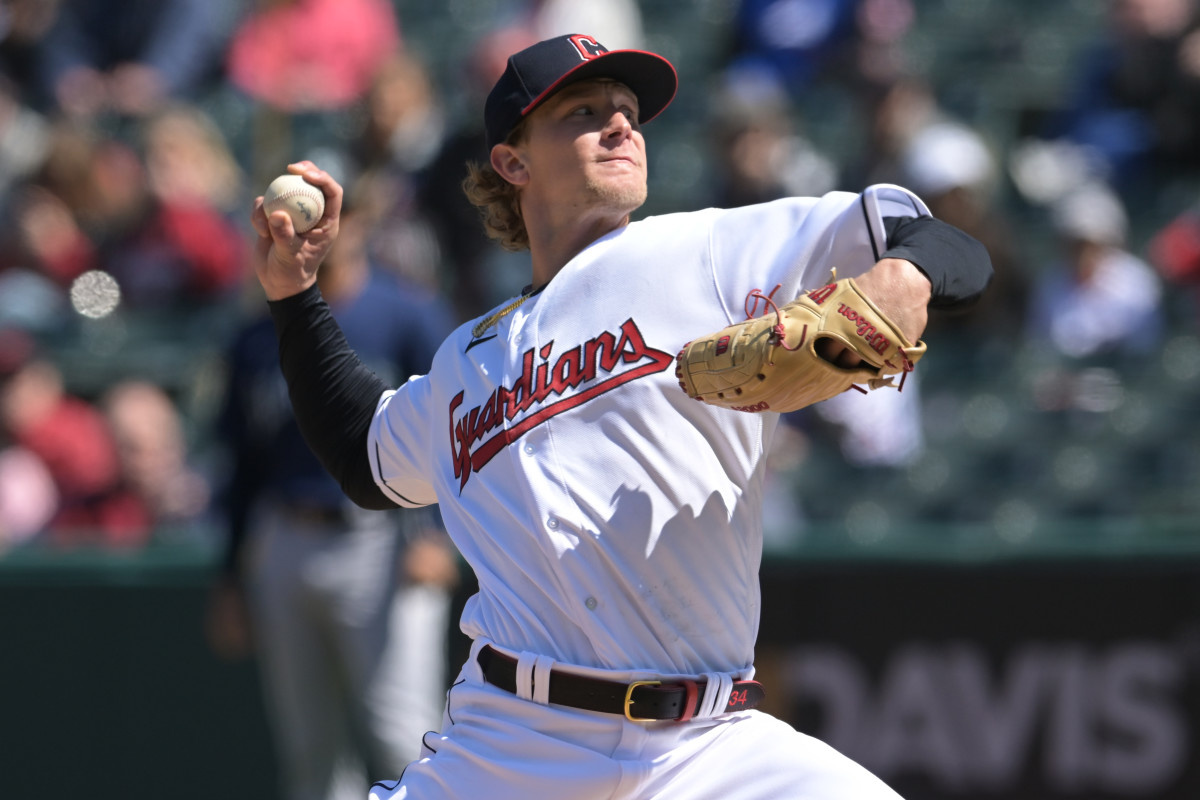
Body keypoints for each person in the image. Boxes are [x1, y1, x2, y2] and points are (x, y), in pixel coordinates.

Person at [248, 34, 992, 800]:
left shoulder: (708, 249)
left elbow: (944, 241)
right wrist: (294, 294)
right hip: (511, 747)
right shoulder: (462, 362)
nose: (620, 126)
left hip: (710, 746)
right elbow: (361, 455)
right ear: (513, 161)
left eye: (630, 113)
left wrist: (907, 274)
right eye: (583, 111)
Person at [206, 199, 459, 800]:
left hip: (383, 541)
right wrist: (231, 577)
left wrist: (442, 537)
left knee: (405, 736)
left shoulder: (407, 315)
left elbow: (462, 431)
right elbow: (243, 466)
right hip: (283, 537)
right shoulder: (255, 333)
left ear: (360, 221)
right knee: (309, 754)